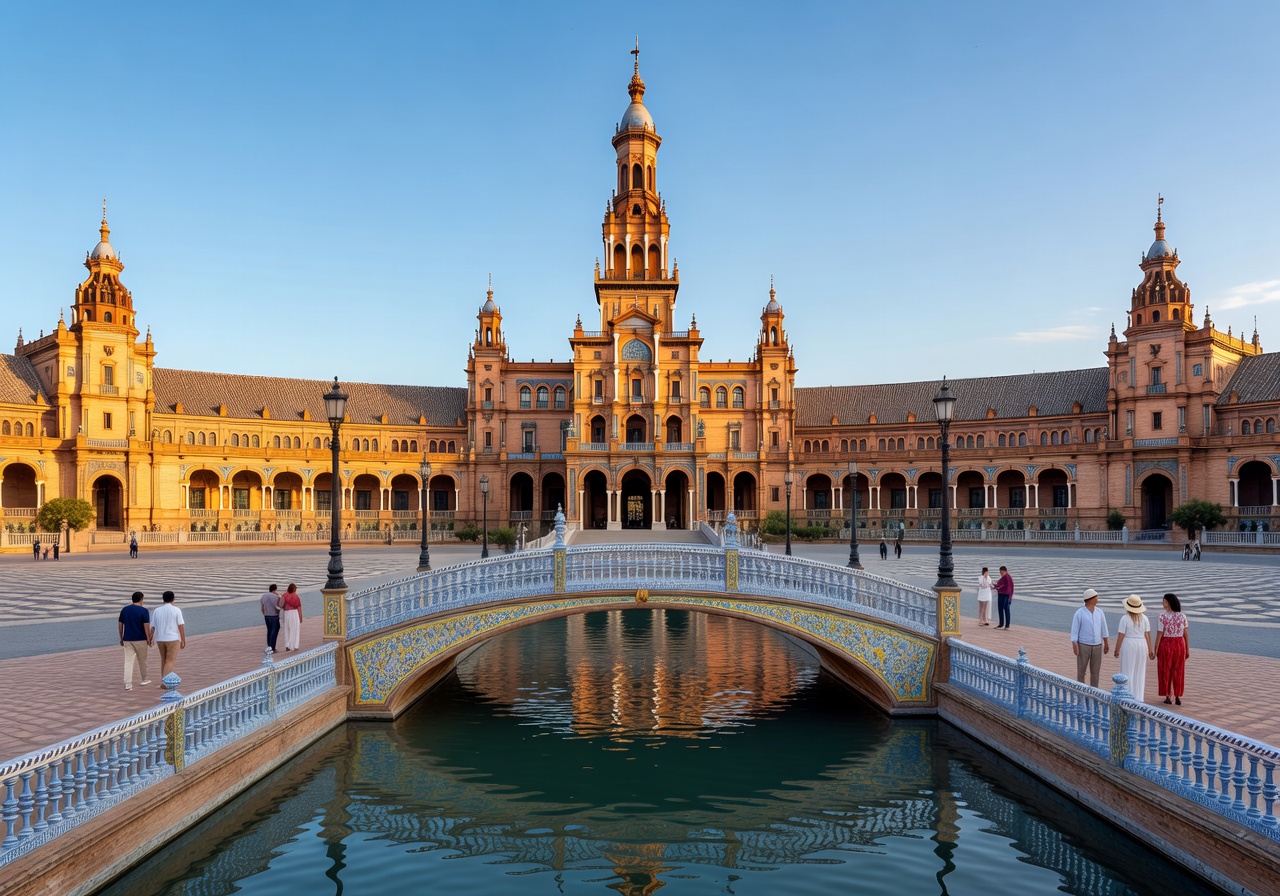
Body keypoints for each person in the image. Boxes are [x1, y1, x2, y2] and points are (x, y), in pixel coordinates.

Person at [1113, 594, 1154, 701]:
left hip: (1129, 644)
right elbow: (1147, 635)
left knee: (1127, 669)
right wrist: (1150, 650)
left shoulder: (1125, 618)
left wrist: (1117, 649)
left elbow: (1121, 635)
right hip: (1142, 644)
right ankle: (1139, 697)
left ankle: (1127, 695)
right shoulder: (1144, 618)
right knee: (1140, 671)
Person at [1155, 593, 1190, 705]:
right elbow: (1185, 633)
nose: (1163, 604)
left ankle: (1167, 696)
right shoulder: (1182, 616)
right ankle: (1178, 696)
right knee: (1178, 670)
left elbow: (1159, 634)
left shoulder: (1162, 617)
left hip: (1166, 643)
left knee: (1166, 670)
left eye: (1165, 602)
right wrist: (1187, 649)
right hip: (1180, 644)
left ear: (1170, 603)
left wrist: (1156, 649)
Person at [1070, 588, 1110, 687]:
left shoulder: (1100, 612)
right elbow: (1074, 630)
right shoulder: (1079, 613)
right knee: (1081, 671)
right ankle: (1081, 689)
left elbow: (1104, 628)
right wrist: (1074, 644)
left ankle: (1094, 691)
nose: (1097, 599)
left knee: (1095, 672)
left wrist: (1106, 643)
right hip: (1083, 645)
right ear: (1090, 599)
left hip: (1097, 645)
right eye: (1096, 597)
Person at [118, 591, 153, 691]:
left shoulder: (124, 610)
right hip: (141, 639)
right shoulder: (144, 611)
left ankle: (128, 684)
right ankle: (144, 679)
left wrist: (121, 638)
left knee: (128, 661)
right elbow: (146, 626)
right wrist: (149, 638)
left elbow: (120, 625)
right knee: (142, 660)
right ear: (141, 599)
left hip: (127, 639)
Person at [151, 590, 187, 679]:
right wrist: (183, 640)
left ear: (163, 599)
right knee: (170, 661)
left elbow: (153, 626)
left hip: (160, 639)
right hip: (172, 639)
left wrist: (150, 637)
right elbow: (180, 626)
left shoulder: (157, 610)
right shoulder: (176, 610)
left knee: (164, 660)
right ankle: (165, 681)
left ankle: (164, 679)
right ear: (173, 599)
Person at [279, 583, 303, 651]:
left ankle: (287, 645)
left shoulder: (284, 595)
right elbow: (299, 608)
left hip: (286, 613)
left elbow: (280, 605)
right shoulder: (296, 596)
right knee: (295, 629)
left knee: (287, 629)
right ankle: (295, 645)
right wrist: (300, 617)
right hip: (294, 613)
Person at [260, 583, 282, 652]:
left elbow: (262, 607)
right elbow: (278, 607)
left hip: (267, 616)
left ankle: (269, 646)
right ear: (275, 589)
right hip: (274, 616)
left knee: (269, 631)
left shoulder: (264, 596)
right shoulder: (276, 597)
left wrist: (264, 614)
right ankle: (272, 647)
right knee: (274, 631)